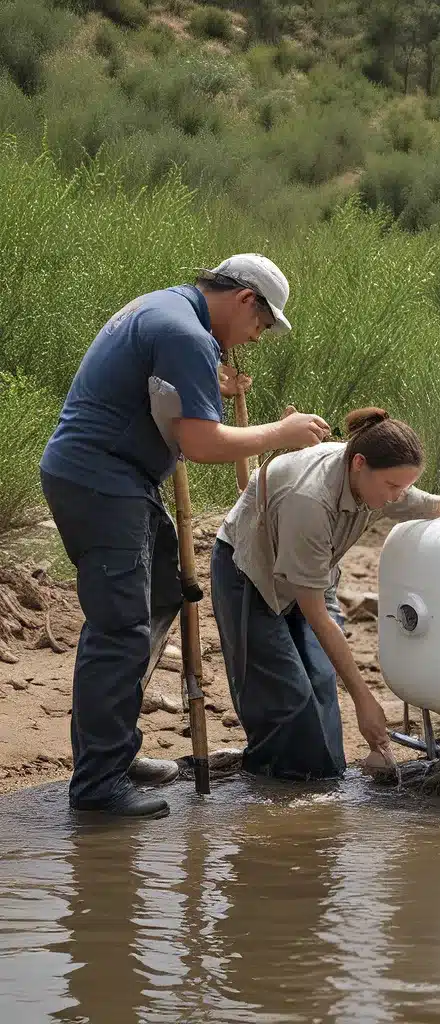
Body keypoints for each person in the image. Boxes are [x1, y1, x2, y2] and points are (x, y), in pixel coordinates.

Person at [39, 254, 332, 821]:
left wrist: (206, 384)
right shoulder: (185, 332)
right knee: (120, 628)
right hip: (103, 481)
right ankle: (97, 783)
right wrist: (282, 433)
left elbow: (158, 399)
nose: (254, 339)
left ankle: (113, 751)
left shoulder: (168, 309)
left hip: (110, 476)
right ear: (246, 299)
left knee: (160, 595)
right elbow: (199, 444)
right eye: (261, 326)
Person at [210, 407, 440, 782]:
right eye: (392, 487)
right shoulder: (310, 500)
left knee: (319, 684)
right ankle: (270, 786)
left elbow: (427, 504)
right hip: (249, 572)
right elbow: (315, 612)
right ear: (359, 464)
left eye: (403, 487)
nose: (397, 496)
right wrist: (364, 700)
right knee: (286, 699)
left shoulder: (376, 481)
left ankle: (322, 782)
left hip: (309, 574)